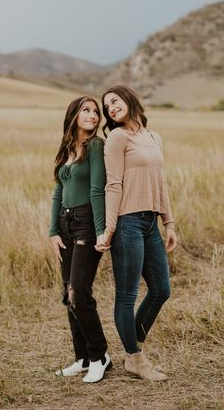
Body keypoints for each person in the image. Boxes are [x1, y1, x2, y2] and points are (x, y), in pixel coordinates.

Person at [97, 85, 177, 381]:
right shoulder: (117, 137)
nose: (111, 108)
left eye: (114, 101)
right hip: (127, 222)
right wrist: (109, 228)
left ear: (129, 99)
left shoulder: (153, 137)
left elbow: (161, 182)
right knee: (127, 294)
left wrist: (168, 222)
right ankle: (135, 357)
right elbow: (113, 185)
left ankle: (133, 348)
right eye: (107, 106)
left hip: (151, 223)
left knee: (161, 290)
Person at [49, 96, 112, 383]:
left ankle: (100, 356)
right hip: (65, 223)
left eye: (96, 112)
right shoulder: (66, 148)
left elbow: (97, 188)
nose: (93, 116)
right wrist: (53, 231)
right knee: (68, 294)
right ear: (74, 115)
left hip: (87, 222)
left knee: (79, 293)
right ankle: (83, 358)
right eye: (86, 111)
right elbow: (57, 192)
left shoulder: (96, 146)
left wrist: (101, 229)